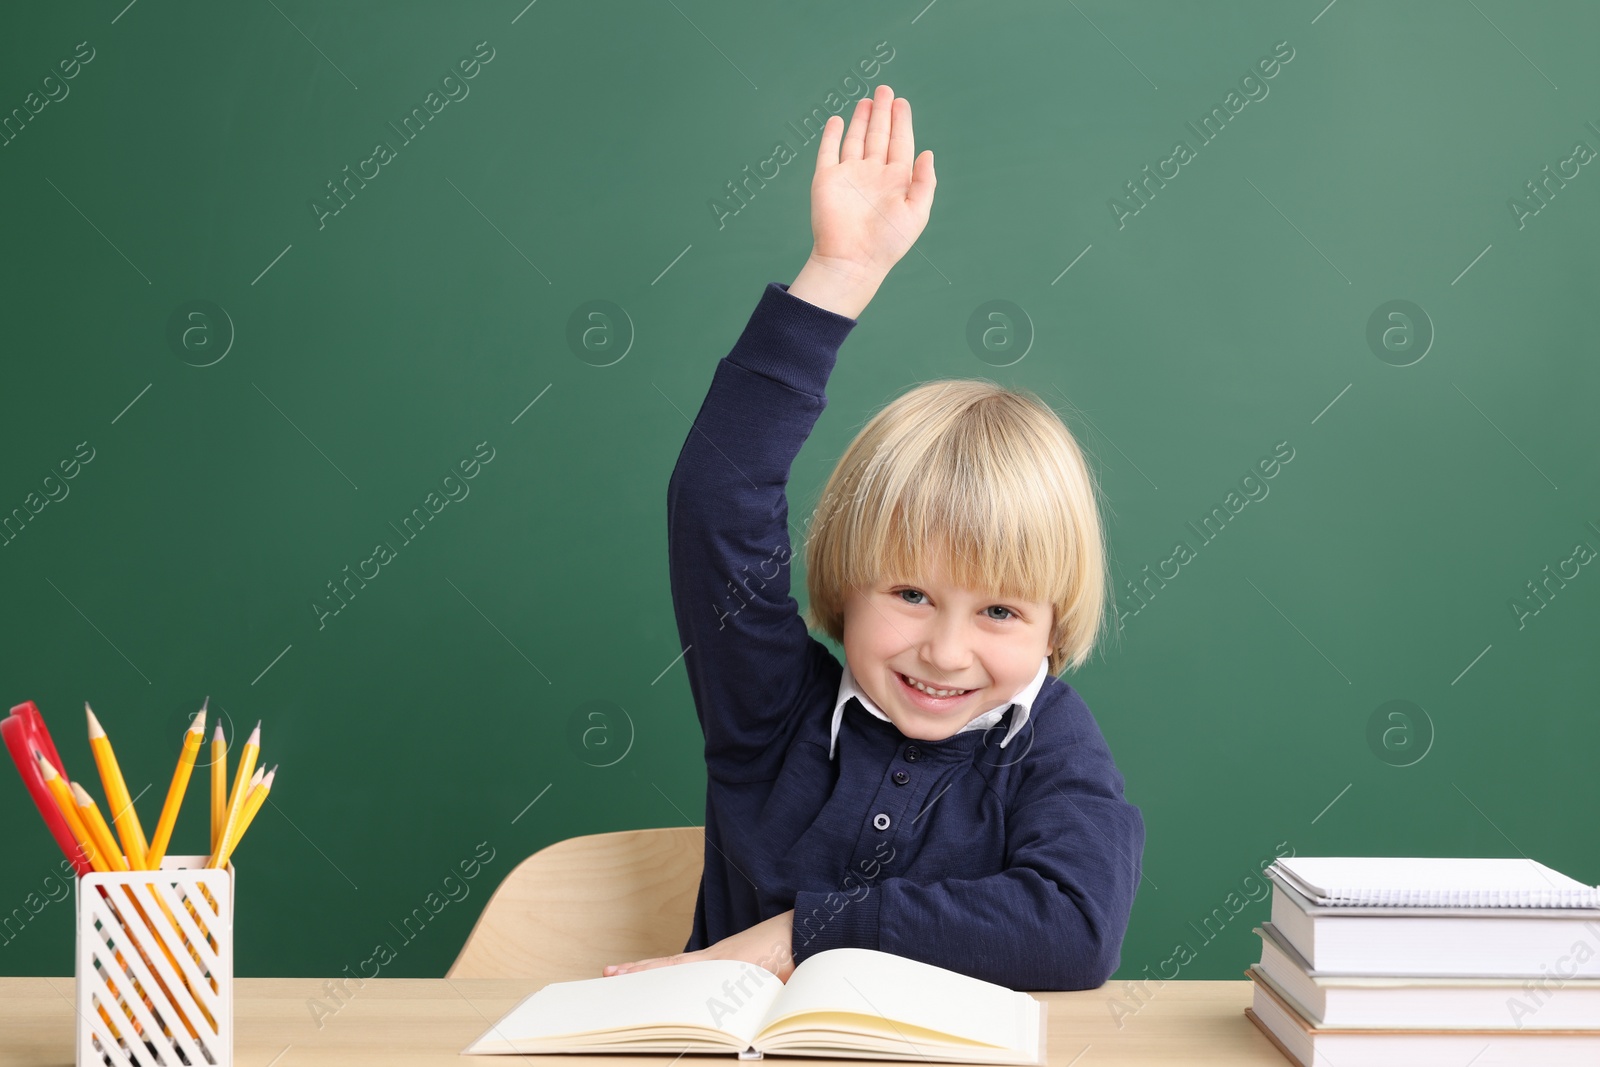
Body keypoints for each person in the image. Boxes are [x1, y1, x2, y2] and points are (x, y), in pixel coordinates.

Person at [602, 84, 1143, 991]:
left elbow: (1076, 928)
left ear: (1053, 628)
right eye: (912, 593)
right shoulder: (770, 709)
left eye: (1000, 609)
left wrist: (806, 932)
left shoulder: (1049, 742)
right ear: (848, 584)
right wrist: (838, 274)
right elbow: (717, 496)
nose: (945, 648)